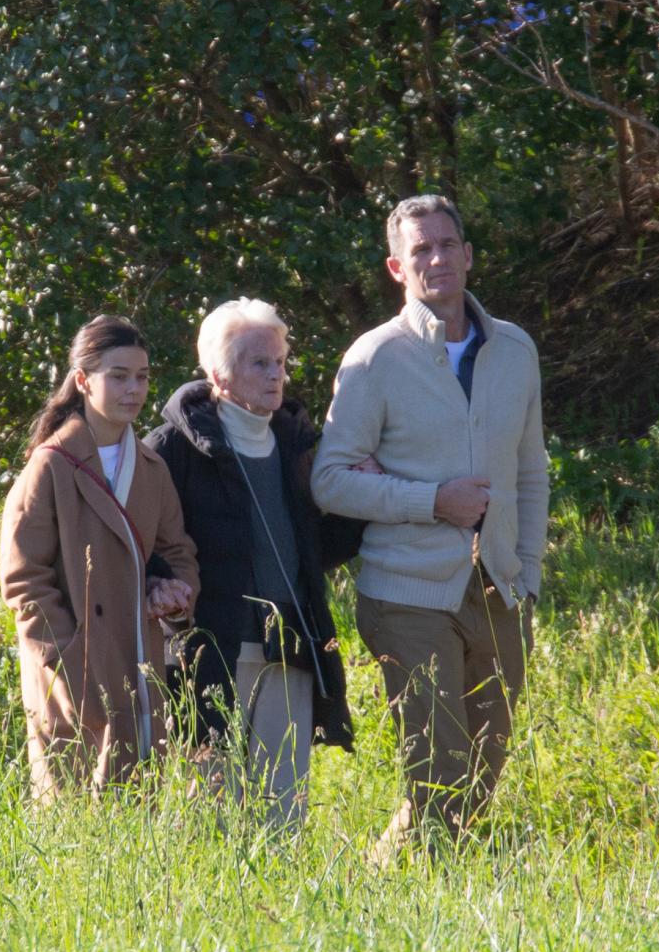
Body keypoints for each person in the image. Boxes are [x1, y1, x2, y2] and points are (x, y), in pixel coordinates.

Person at [311, 194, 549, 863]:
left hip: (499, 588)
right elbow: (329, 480)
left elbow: (530, 471)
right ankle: (422, 900)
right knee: (438, 769)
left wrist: (525, 573)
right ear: (397, 266)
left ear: (469, 256)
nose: (437, 259)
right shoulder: (373, 358)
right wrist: (432, 500)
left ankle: (388, 874)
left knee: (482, 769)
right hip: (407, 593)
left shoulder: (516, 349)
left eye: (448, 245)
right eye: (421, 250)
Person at [145, 297, 357, 833]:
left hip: (290, 646)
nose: (275, 375)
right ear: (218, 373)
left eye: (280, 362)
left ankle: (281, 911)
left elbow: (315, 548)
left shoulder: (296, 443)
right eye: (258, 363)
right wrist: (159, 586)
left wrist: (362, 502)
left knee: (283, 808)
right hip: (213, 645)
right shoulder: (172, 447)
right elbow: (141, 540)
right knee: (210, 807)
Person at [0, 314, 199, 800]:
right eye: (119, 376)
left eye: (143, 376)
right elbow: (24, 580)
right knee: (71, 826)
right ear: (84, 381)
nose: (134, 389)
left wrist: (173, 593)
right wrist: (66, 662)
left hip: (138, 659)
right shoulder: (51, 464)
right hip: (69, 676)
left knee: (137, 820)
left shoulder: (152, 468)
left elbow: (178, 554)